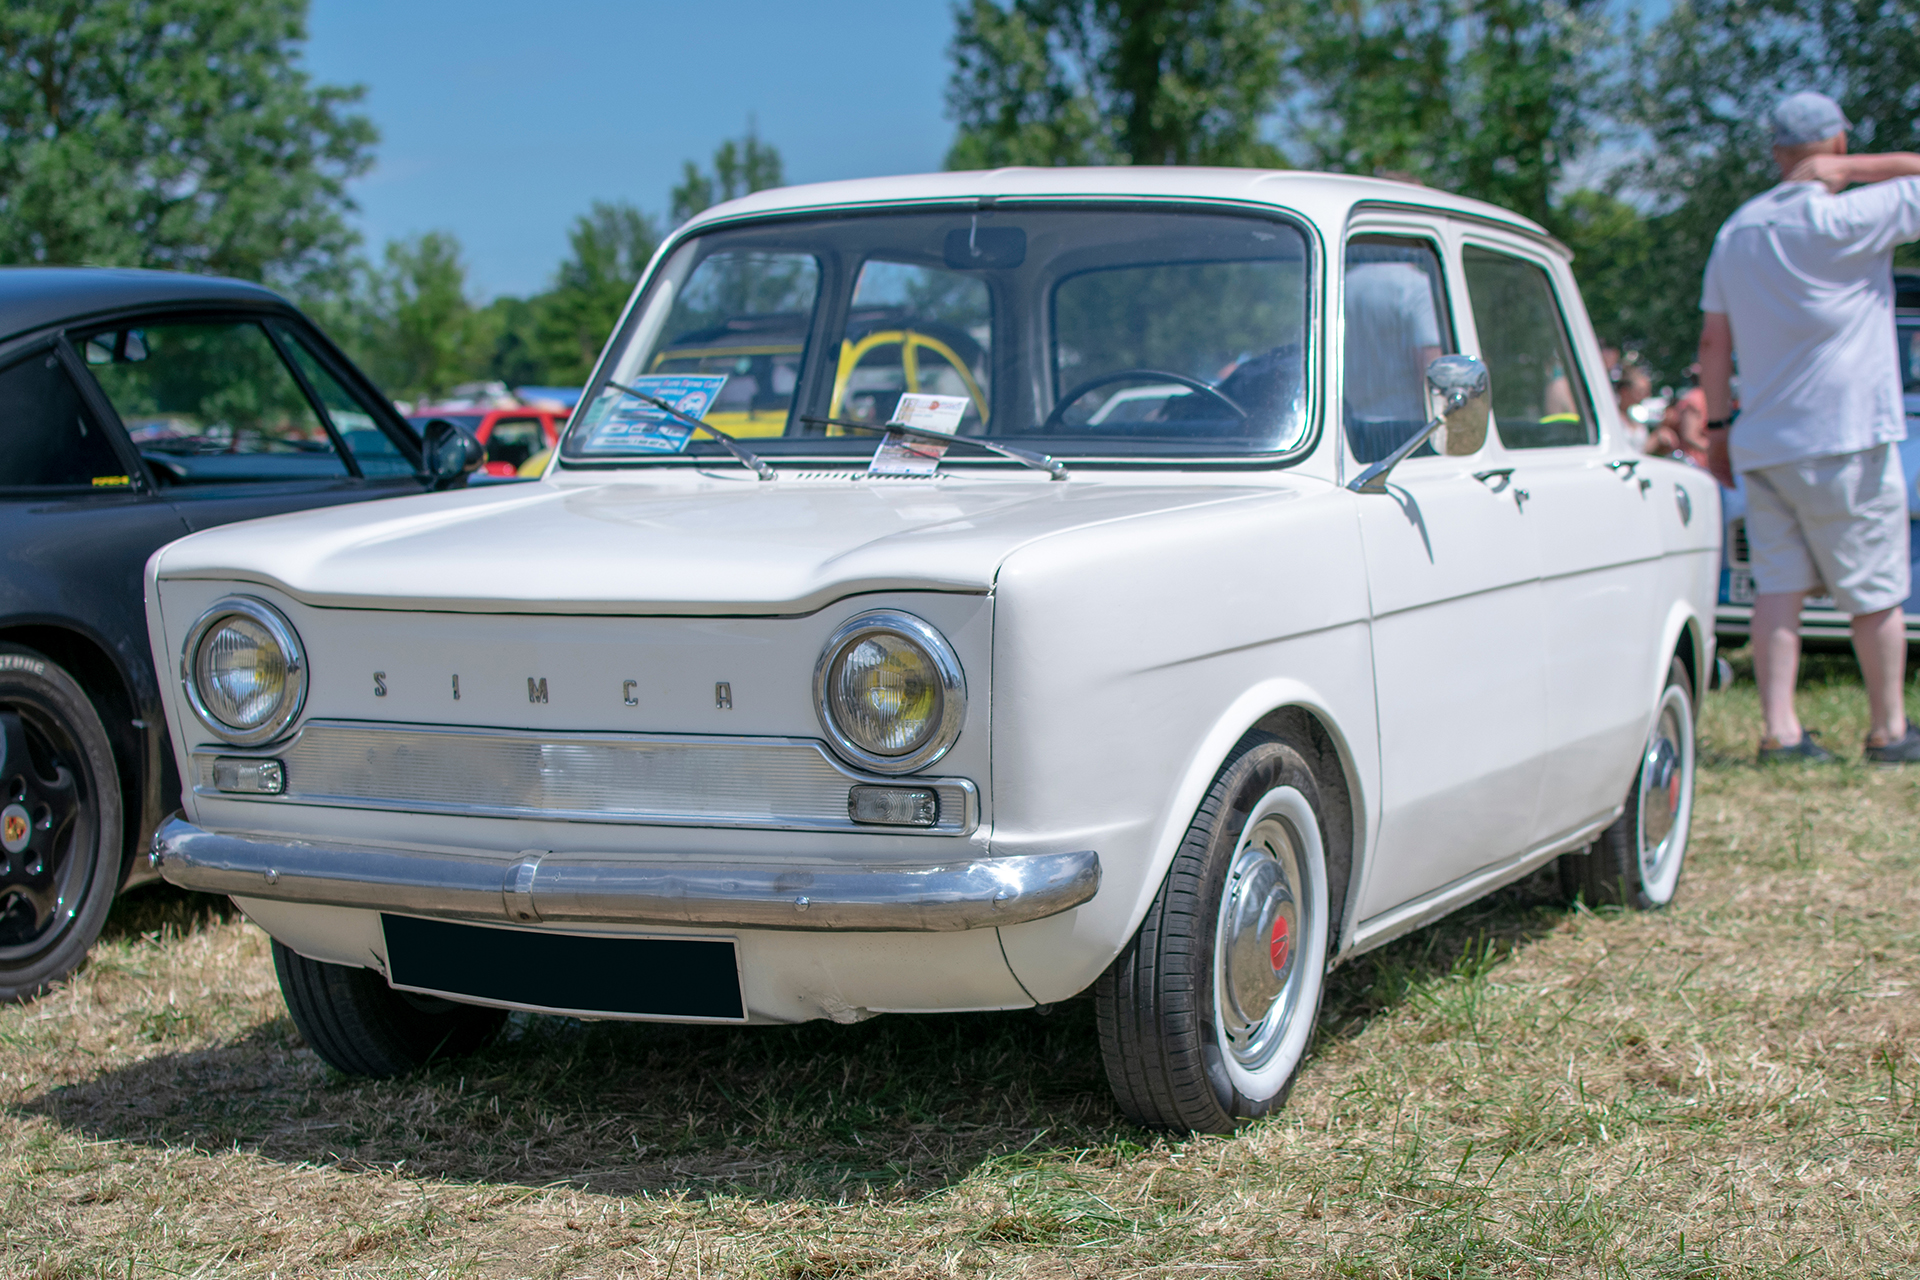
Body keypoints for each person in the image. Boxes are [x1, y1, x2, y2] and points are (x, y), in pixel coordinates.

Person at [1698, 91, 1920, 763]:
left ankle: (1781, 730)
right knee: (1875, 592)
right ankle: (1888, 730)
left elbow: (1713, 342)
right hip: (1846, 435)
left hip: (1763, 439)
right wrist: (1849, 173)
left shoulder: (1737, 230)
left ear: (1775, 151)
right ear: (1839, 143)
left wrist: (1717, 429)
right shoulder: (1851, 214)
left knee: (1778, 589)